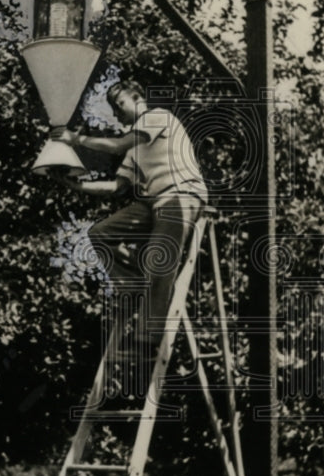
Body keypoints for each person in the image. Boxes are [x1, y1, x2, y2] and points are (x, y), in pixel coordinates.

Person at [52, 83, 208, 392]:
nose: (115, 111)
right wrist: (76, 187)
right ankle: (131, 282)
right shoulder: (134, 144)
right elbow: (118, 187)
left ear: (137, 98)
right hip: (154, 201)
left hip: (181, 194)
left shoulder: (156, 117)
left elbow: (116, 146)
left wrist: (76, 139)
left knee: (159, 263)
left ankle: (147, 340)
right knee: (100, 234)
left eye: (118, 103)